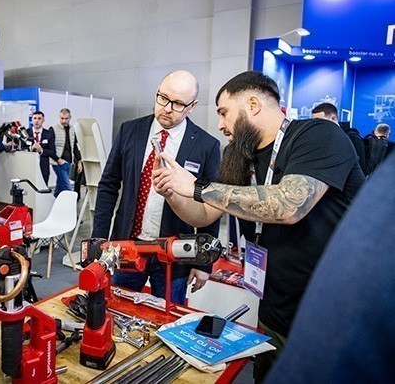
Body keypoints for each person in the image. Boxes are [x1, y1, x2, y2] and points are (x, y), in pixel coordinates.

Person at [152, 71, 365, 382]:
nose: (220, 124)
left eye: (224, 112)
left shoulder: (317, 136)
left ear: (252, 105)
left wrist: (197, 186)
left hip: (329, 315)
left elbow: (288, 205)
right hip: (274, 307)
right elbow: (203, 215)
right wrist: (173, 190)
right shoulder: (238, 155)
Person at [265, 153, 395, 383]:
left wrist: (201, 189)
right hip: (275, 302)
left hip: (307, 321)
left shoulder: (329, 144)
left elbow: (288, 208)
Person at [93, 70, 221, 304]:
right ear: (157, 93)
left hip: (174, 251)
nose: (167, 108)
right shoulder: (129, 131)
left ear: (192, 106)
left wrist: (204, 262)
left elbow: (211, 204)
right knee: (116, 307)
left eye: (178, 104)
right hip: (127, 245)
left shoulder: (207, 145)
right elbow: (108, 186)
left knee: (169, 317)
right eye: (163, 98)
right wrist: (98, 239)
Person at [311, 102, 367, 175]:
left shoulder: (353, 138)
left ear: (334, 118)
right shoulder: (320, 138)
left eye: (320, 121)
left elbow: (360, 170)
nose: (317, 125)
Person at [50, 108, 82, 196]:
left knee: (59, 187)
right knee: (67, 187)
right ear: (59, 117)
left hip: (69, 162)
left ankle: (55, 201)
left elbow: (75, 146)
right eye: (62, 118)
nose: (64, 121)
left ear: (70, 117)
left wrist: (79, 161)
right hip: (58, 163)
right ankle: (72, 204)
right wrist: (58, 160)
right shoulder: (53, 129)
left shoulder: (72, 129)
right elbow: (50, 148)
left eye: (66, 118)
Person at [23, 110, 56, 185]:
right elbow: (21, 148)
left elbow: (53, 152)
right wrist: (31, 148)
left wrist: (41, 150)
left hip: (43, 168)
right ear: (32, 120)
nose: (37, 121)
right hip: (28, 167)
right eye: (35, 118)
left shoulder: (48, 134)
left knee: (43, 187)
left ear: (43, 120)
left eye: (39, 118)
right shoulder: (26, 133)